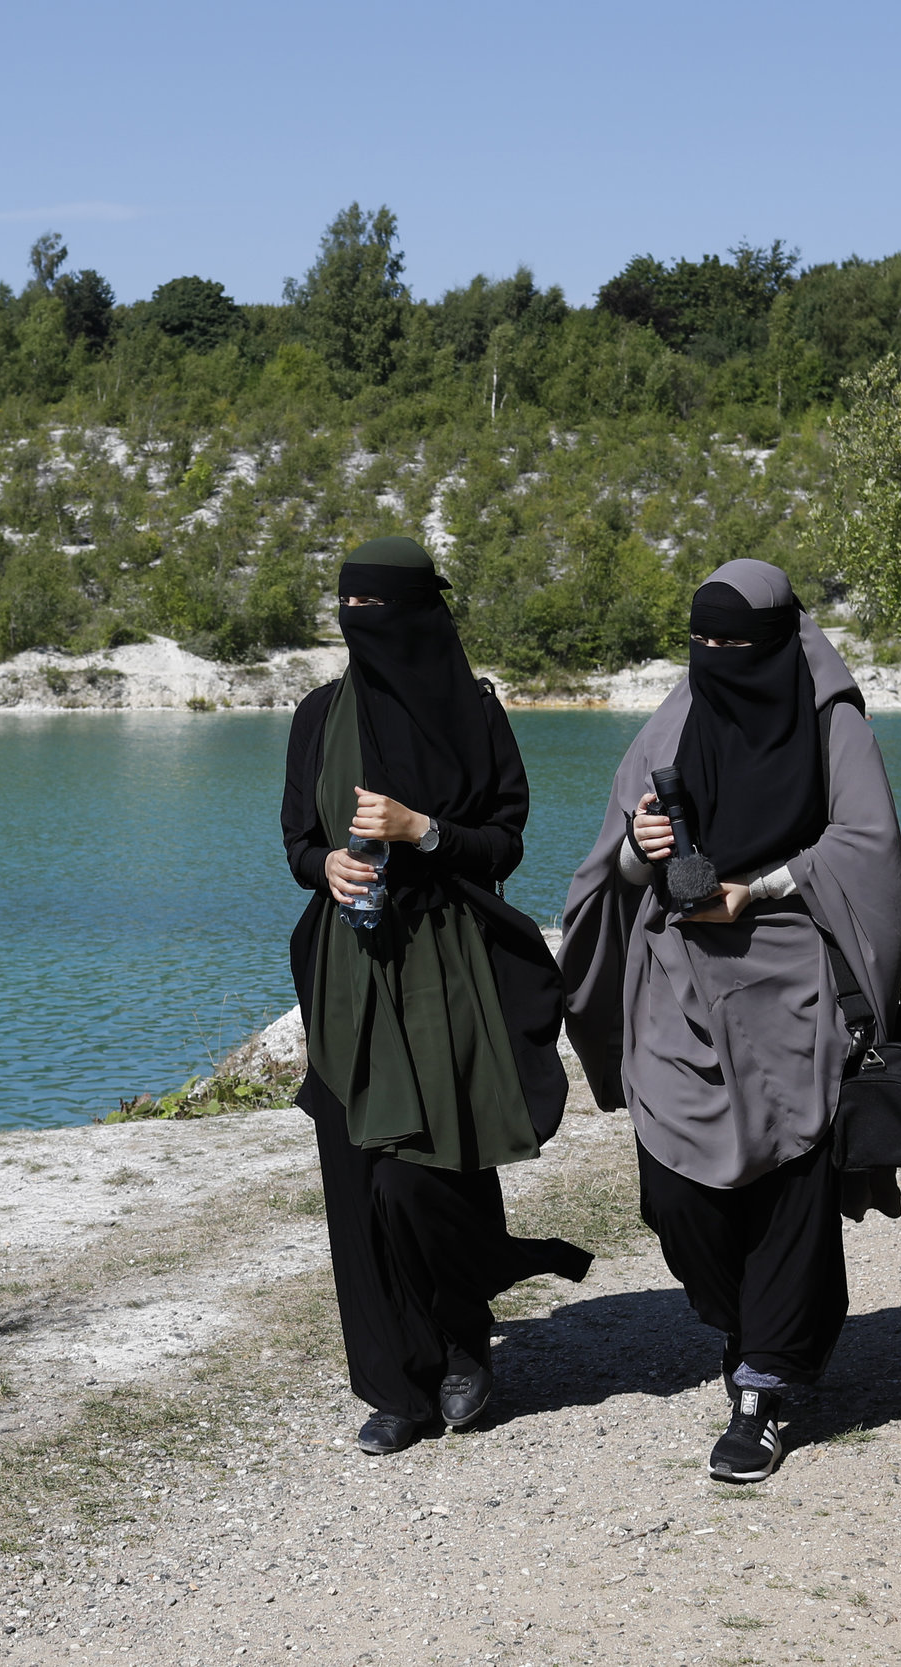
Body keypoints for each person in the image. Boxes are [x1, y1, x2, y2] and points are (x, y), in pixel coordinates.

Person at [560, 558, 901, 1484]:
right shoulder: (671, 723)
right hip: (675, 989)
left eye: (737, 644)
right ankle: (758, 1326)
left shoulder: (831, 721)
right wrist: (643, 852)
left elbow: (863, 844)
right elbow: (612, 870)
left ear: (782, 640)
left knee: (789, 1185)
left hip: (790, 985)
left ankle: (762, 1390)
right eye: (701, 642)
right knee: (681, 1199)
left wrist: (754, 889)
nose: (718, 659)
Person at [282, 535, 589, 1457]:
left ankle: (464, 1342)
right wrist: (326, 864)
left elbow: (504, 844)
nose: (360, 627)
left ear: (421, 615)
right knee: (356, 1181)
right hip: (348, 972)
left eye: (377, 610)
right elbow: (297, 840)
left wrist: (423, 830)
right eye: (350, 611)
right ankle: (397, 1384)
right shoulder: (317, 714)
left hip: (448, 974)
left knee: (428, 1174)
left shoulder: (477, 712)